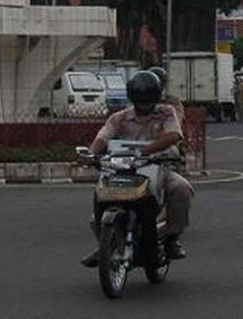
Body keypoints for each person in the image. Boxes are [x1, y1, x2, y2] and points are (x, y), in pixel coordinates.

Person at [80, 71, 193, 266]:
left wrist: (145, 151)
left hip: (157, 166)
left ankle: (172, 239)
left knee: (181, 189)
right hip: (123, 169)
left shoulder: (167, 112)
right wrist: (91, 155)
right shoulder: (119, 118)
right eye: (140, 101)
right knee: (99, 194)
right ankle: (105, 246)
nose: (144, 106)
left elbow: (173, 135)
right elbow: (102, 138)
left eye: (148, 101)